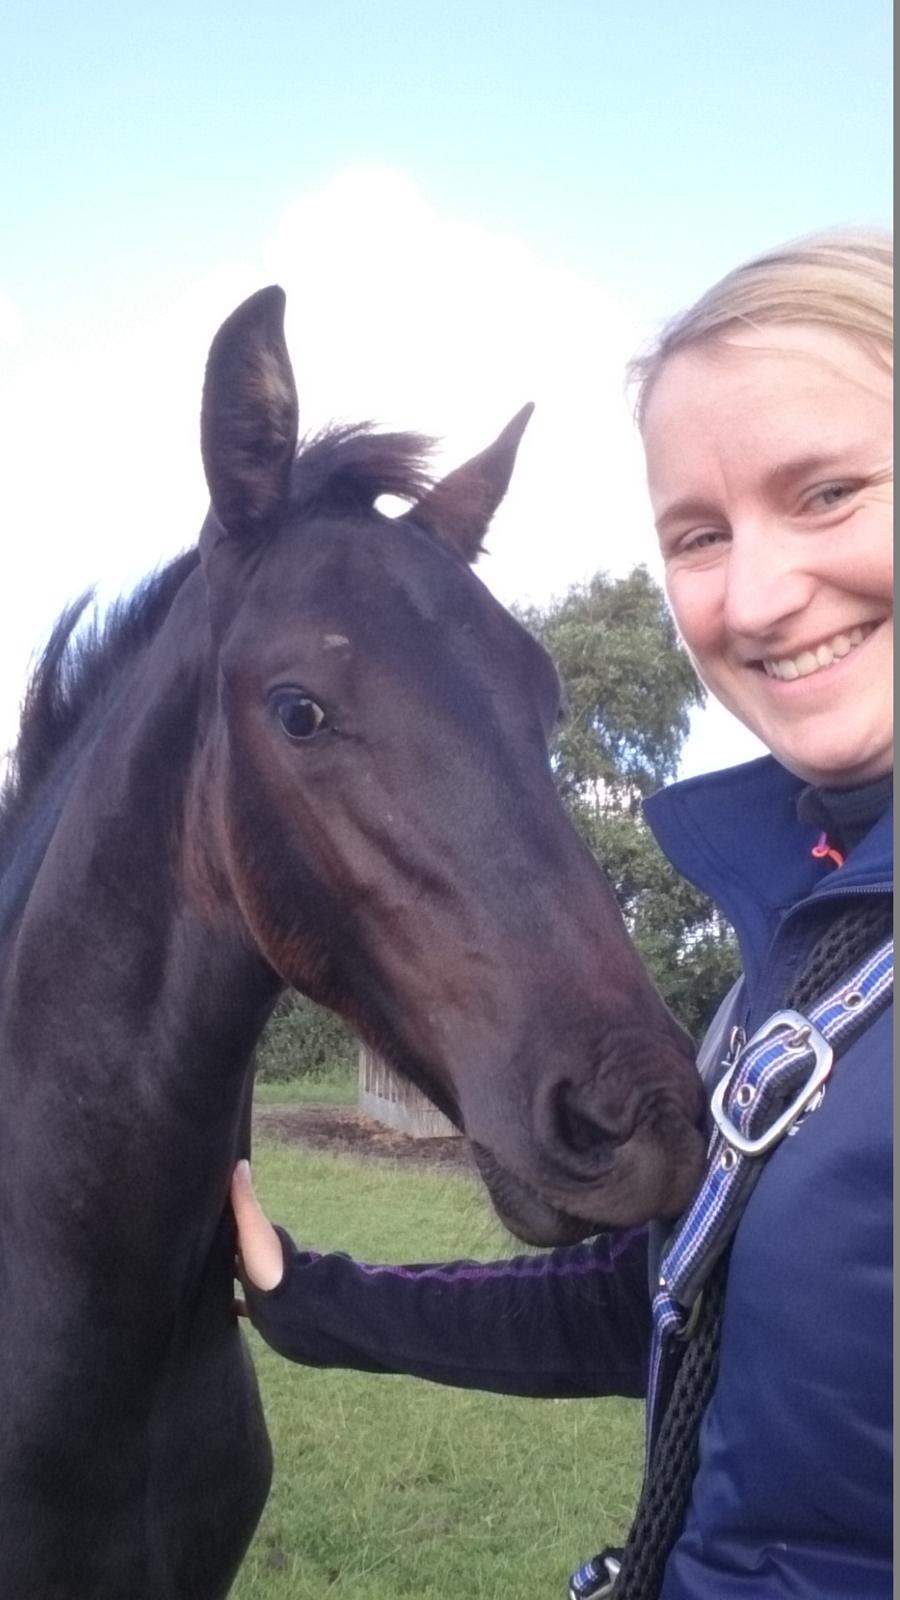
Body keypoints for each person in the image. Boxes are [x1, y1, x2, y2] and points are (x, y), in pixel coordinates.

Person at [231, 227, 893, 1599]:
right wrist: (317, 1298)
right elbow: (669, 1293)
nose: (759, 597)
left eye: (827, 492)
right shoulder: (812, 949)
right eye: (700, 535)